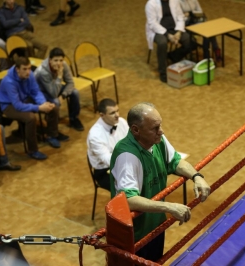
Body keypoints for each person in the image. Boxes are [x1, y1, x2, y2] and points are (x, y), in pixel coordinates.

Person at [110, 102, 211, 262]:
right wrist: (169, 206)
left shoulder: (156, 140)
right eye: (154, 128)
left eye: (160, 125)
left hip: (155, 224)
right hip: (135, 234)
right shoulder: (127, 156)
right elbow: (128, 200)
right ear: (136, 130)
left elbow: (176, 161)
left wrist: (197, 176)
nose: (161, 131)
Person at [0, 57, 69, 160]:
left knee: (53, 107)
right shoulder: (9, 82)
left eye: (29, 68)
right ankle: (33, 150)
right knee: (30, 118)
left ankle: (52, 135)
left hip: (24, 99)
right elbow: (17, 105)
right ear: (17, 69)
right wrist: (39, 108)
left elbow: (36, 91)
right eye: (24, 69)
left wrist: (44, 103)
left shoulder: (30, 74)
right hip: (9, 106)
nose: (28, 72)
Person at [34, 47, 84, 131]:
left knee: (75, 92)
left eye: (61, 60)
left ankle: (73, 118)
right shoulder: (43, 72)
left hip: (54, 87)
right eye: (56, 60)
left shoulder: (63, 65)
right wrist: (60, 76)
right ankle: (53, 128)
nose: (59, 63)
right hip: (41, 92)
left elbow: (70, 83)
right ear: (50, 60)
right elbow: (53, 94)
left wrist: (63, 95)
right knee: (56, 101)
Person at [87, 98, 129, 190]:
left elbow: (132, 141)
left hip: (125, 161)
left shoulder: (121, 122)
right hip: (104, 170)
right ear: (102, 115)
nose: (117, 115)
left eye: (117, 111)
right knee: (129, 187)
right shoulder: (95, 135)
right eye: (112, 113)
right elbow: (108, 160)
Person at [145, 0, 192, 83]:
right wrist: (168, 35)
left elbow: (180, 17)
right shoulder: (151, 4)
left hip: (174, 29)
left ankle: (172, 56)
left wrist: (179, 32)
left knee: (188, 39)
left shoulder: (174, 1)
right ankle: (162, 72)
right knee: (162, 43)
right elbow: (152, 23)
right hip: (158, 30)